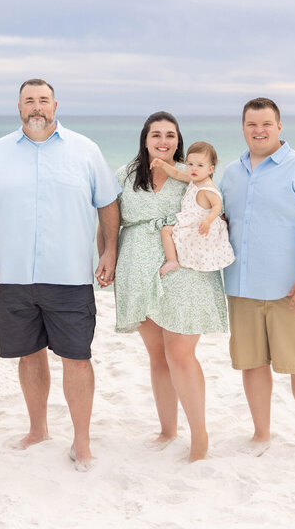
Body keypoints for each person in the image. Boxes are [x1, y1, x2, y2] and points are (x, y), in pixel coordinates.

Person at [0, 79, 120, 472]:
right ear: (18, 107)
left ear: (56, 106)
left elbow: (107, 203)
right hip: (11, 273)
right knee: (29, 355)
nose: (37, 107)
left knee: (77, 358)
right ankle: (38, 430)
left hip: (69, 274)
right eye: (29, 101)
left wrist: (110, 250)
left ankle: (81, 441)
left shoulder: (85, 150)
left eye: (43, 101)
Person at [108, 113, 228, 462]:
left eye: (170, 135)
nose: (163, 140)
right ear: (145, 139)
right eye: (156, 134)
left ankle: (199, 434)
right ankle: (167, 429)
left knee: (180, 353)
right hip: (138, 267)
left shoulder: (190, 174)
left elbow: (213, 204)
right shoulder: (125, 175)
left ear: (178, 140)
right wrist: (107, 255)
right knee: (158, 356)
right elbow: (110, 220)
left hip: (184, 265)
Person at [218, 97, 295, 458]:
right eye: (252, 124)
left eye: (266, 124)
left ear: (279, 127)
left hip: (291, 289)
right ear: (243, 128)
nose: (259, 131)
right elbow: (222, 223)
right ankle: (261, 434)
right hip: (242, 287)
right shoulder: (232, 173)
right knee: (252, 364)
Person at [154, 141, 235, 276]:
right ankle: (172, 260)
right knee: (167, 232)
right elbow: (176, 174)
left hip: (200, 225)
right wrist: (162, 165)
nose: (194, 169)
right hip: (192, 221)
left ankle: (172, 261)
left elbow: (217, 206)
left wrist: (208, 221)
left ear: (210, 169)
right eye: (190, 164)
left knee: (166, 231)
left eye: (200, 165)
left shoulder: (208, 188)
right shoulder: (194, 179)